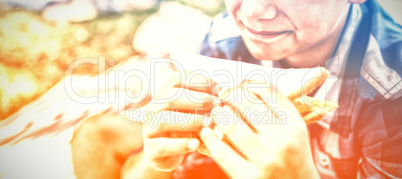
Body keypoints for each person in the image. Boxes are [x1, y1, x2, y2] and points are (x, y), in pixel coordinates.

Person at [71, 0, 402, 178]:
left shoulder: (393, 96)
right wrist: (158, 163)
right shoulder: (224, 39)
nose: (255, 12)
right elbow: (195, 166)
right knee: (92, 138)